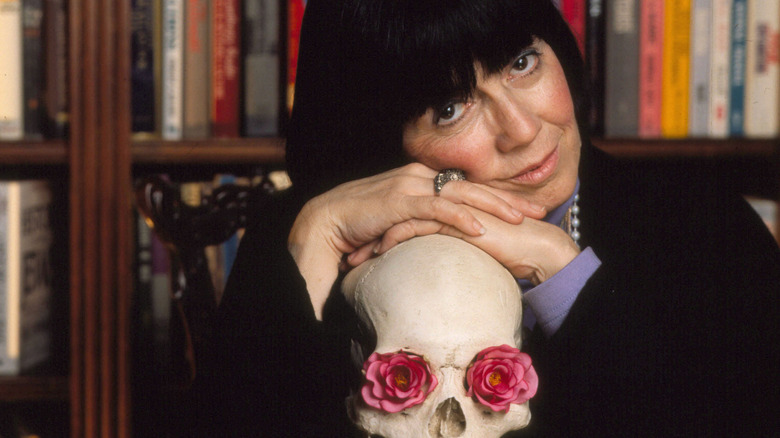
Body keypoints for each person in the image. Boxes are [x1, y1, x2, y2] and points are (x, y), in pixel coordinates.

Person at [190, 0, 780, 436]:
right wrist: (317, 239)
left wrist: (561, 272)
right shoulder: (301, 233)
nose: (522, 130)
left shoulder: (705, 224)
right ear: (379, 136)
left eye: (523, 62)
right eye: (450, 108)